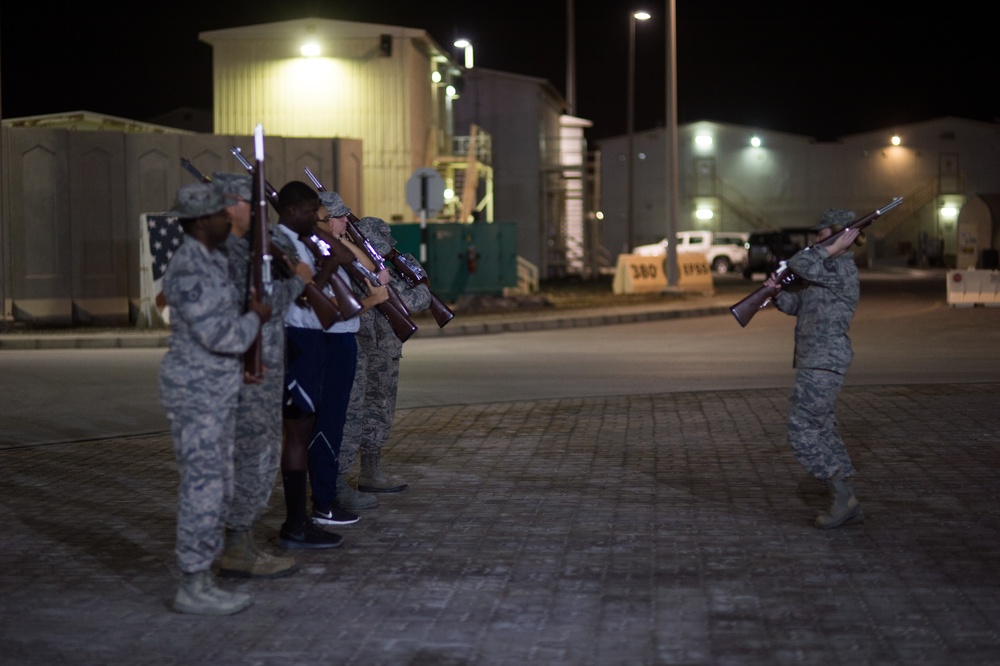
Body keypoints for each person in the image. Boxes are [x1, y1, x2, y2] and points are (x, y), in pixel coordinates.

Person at [158, 181, 272, 615]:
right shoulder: (190, 266)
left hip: (216, 390)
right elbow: (220, 334)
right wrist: (255, 319)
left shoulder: (210, 259)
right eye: (222, 215)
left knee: (216, 484)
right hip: (197, 392)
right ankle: (191, 582)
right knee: (202, 488)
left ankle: (202, 578)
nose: (229, 220)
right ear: (203, 221)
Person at [275, 181, 388, 549]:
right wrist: (330, 256)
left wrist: (337, 242)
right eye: (322, 216)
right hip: (310, 337)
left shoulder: (313, 243)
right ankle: (317, 504)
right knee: (315, 424)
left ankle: (321, 502)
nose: (329, 221)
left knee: (330, 421)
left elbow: (362, 265)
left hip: (328, 338)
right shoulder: (288, 244)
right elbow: (308, 298)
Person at [210, 172, 311, 578]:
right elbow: (260, 304)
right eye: (250, 204)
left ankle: (244, 540)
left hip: (265, 366)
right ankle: (236, 546)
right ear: (231, 205)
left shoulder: (249, 247)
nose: (256, 212)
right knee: (251, 456)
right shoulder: (231, 253)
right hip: (247, 371)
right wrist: (299, 282)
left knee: (262, 454)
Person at [764, 208, 865, 530]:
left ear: (840, 236)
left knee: (802, 430)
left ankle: (841, 494)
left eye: (822, 235)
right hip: (816, 357)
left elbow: (799, 263)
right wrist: (778, 296)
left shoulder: (841, 267)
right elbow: (801, 305)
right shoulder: (827, 266)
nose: (815, 241)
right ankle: (846, 499)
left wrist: (830, 249)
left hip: (825, 358)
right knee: (823, 428)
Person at [335, 212, 431, 510]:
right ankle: (355, 475)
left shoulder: (352, 264)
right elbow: (416, 301)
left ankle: (365, 472)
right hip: (372, 348)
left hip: (369, 346)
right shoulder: (364, 269)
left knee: (367, 411)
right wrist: (421, 284)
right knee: (366, 411)